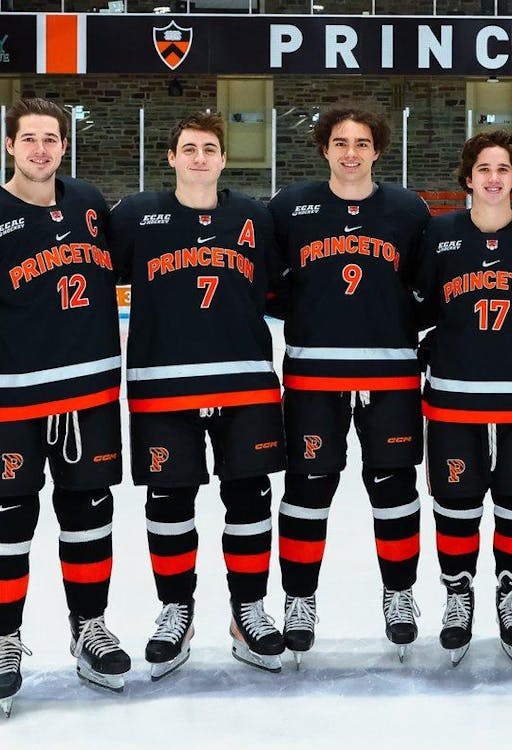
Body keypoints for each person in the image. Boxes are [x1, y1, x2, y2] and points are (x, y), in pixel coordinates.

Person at [108, 112, 286, 678]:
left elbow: (282, 287)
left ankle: (247, 610)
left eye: (210, 148)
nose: (200, 158)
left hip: (245, 381)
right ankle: (175, 609)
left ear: (224, 158)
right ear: (172, 157)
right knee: (168, 504)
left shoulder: (254, 216)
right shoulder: (136, 216)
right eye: (189, 148)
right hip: (163, 385)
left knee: (249, 499)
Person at [267, 107, 429, 663]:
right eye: (340, 142)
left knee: (394, 490)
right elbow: (272, 285)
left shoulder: (407, 210)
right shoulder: (291, 207)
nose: (351, 152)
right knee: (308, 490)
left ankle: (400, 593)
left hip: (391, 374)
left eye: (362, 142)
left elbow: (426, 286)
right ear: (324, 148)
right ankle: (298, 598)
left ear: (378, 149)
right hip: (314, 374)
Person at [0, 98, 130, 714]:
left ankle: (89, 627)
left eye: (51, 139)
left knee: (89, 517)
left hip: (90, 395)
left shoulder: (88, 204)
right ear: (10, 146)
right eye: (30, 139)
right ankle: (4, 637)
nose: (41, 150)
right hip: (13, 401)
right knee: (8, 525)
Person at [415, 130, 512, 666]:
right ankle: (457, 593)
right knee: (455, 502)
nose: (493, 178)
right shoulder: (441, 233)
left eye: (503, 169)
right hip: (453, 397)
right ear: (468, 177)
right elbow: (420, 304)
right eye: (483, 169)